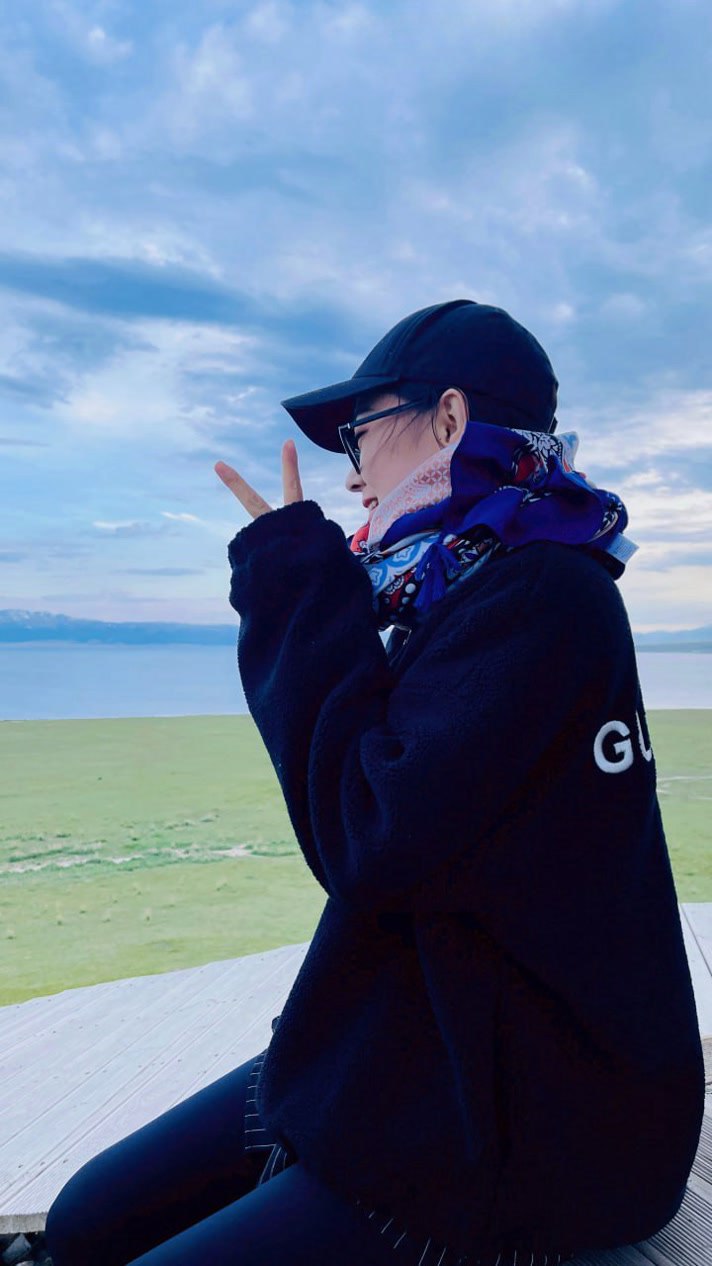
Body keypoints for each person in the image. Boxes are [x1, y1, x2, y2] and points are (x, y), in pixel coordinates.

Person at [45, 299, 706, 1266]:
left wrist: (295, 591)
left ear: (449, 419)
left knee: (101, 1236)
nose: (351, 472)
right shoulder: (470, 586)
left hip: (532, 1119)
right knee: (81, 1221)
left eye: (359, 433)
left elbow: (366, 833)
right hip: (417, 1036)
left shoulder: (543, 597)